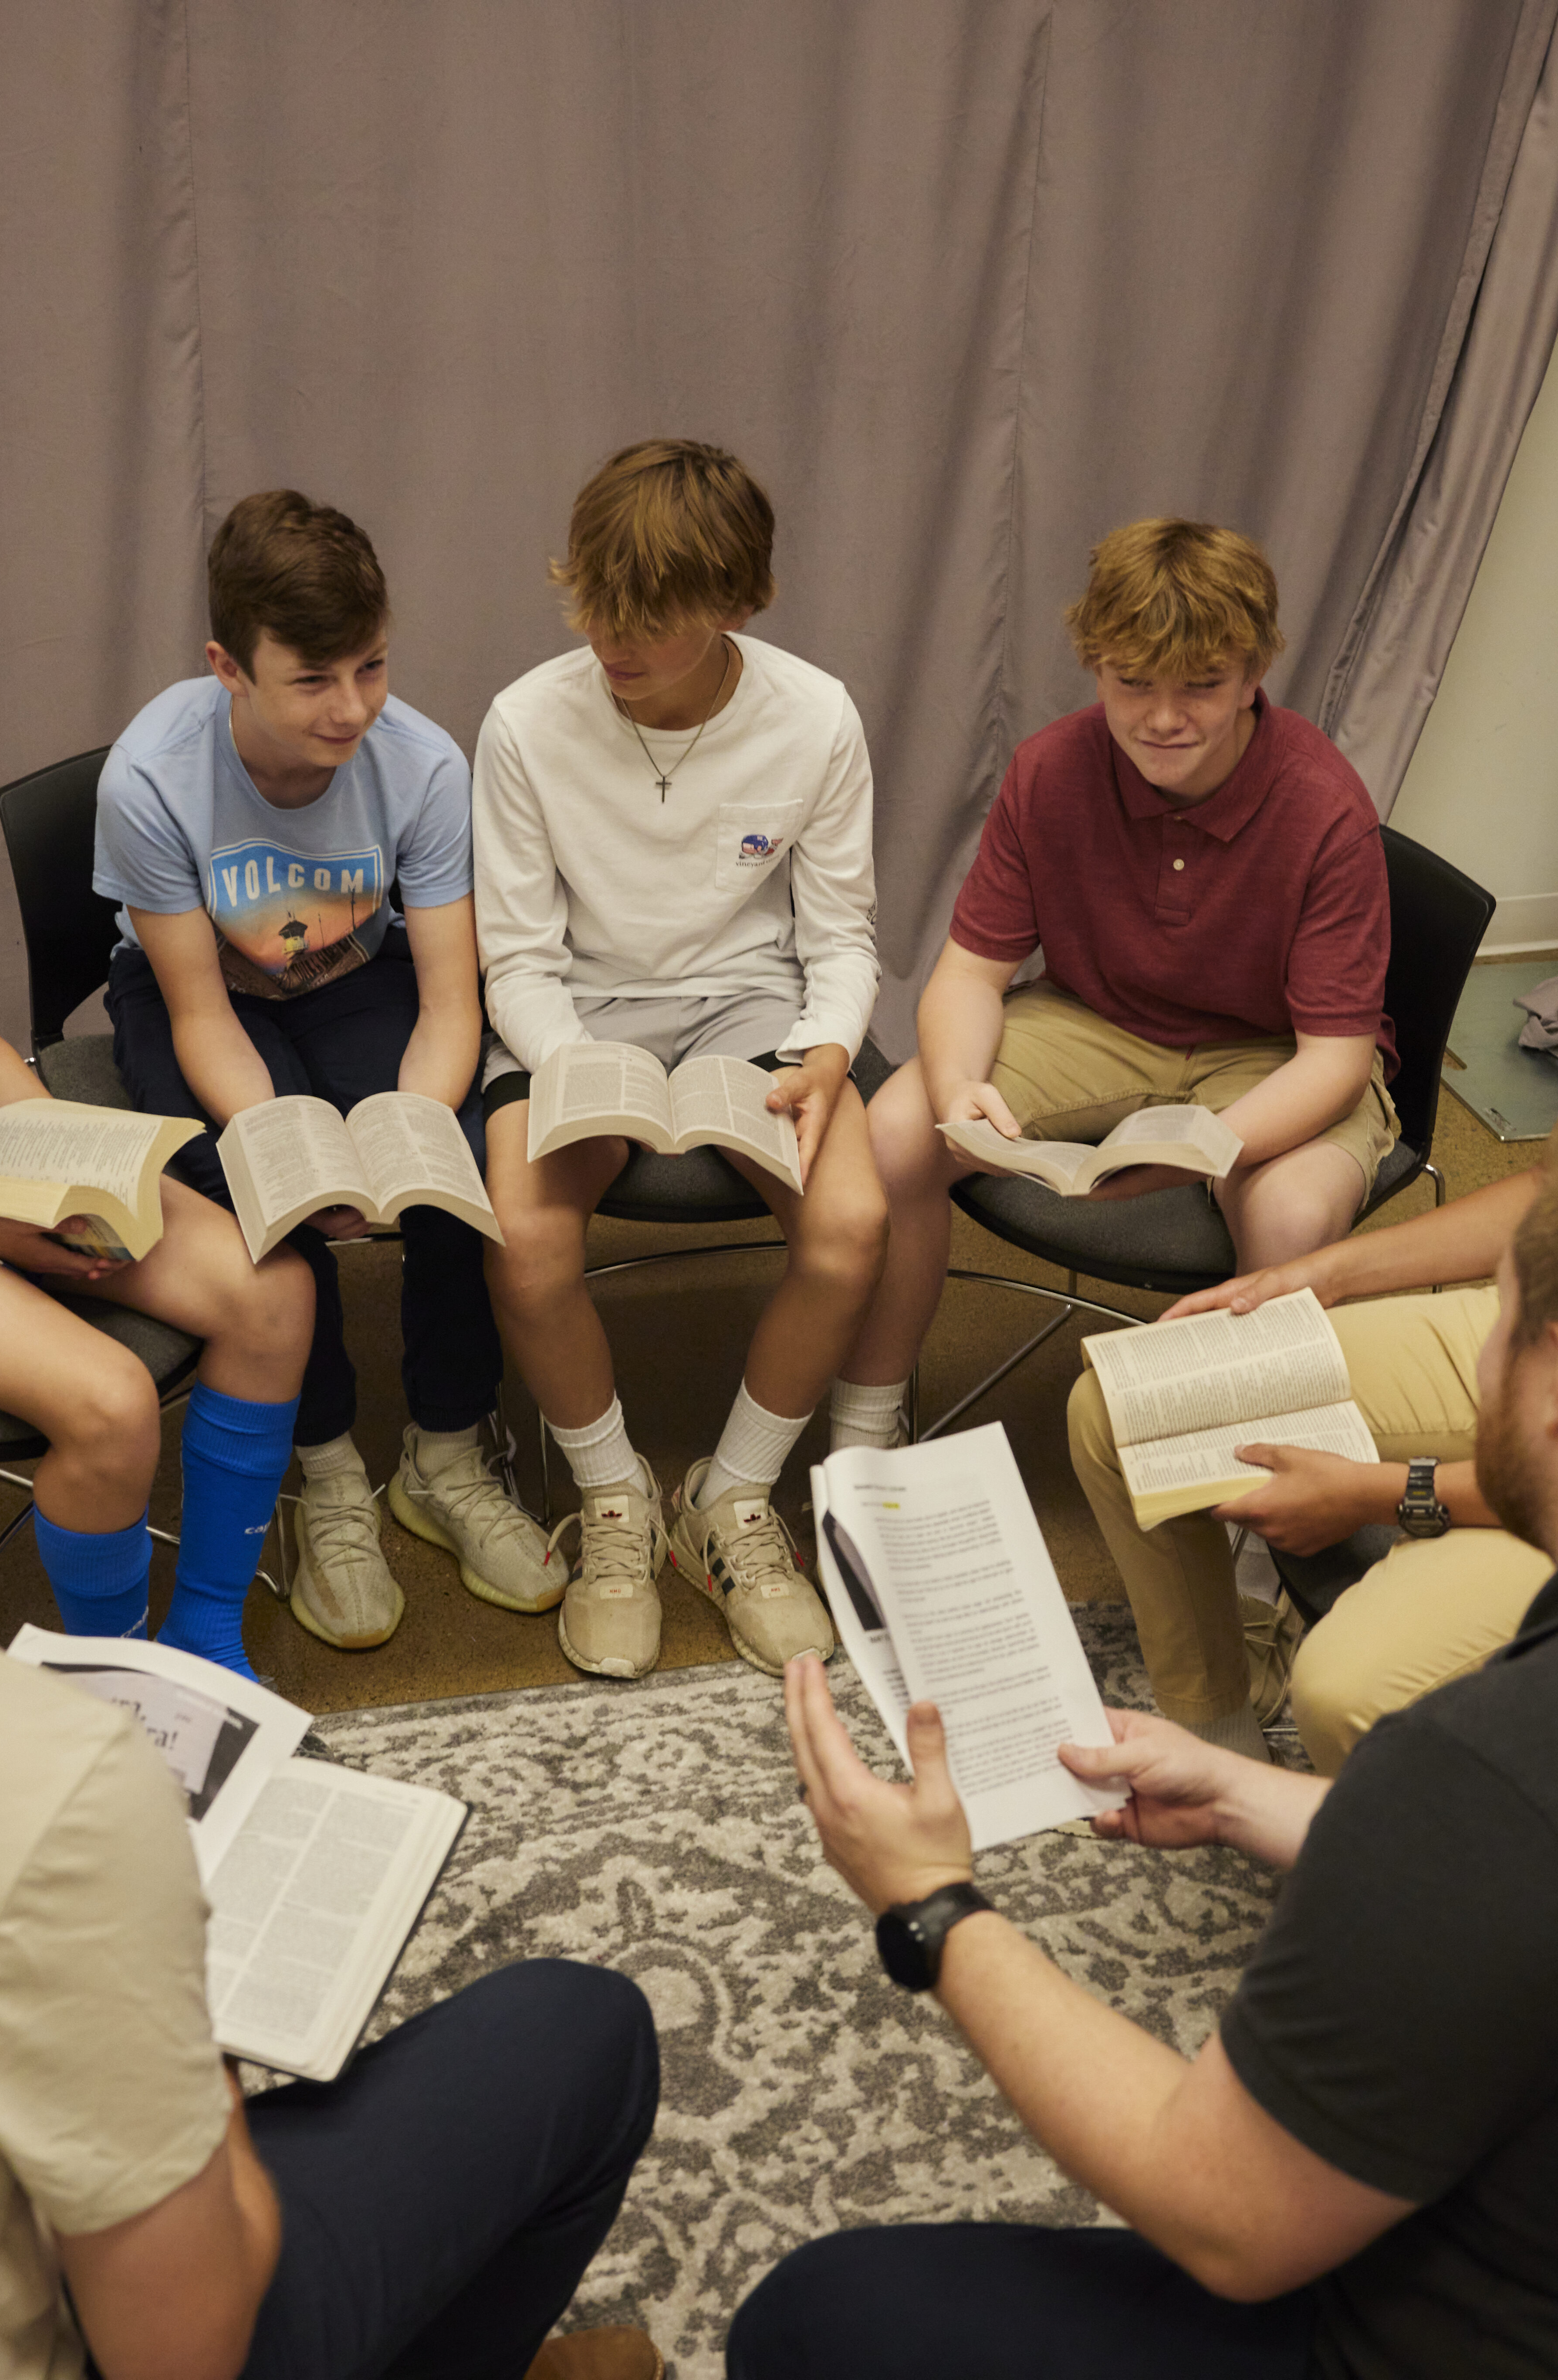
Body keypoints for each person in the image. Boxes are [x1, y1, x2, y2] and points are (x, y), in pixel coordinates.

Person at [0, 1014, 663, 2380]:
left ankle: (193, 1646)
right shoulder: (45, 1784)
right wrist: (200, 2087)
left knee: (266, 1292)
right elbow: (185, 2342)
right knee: (586, 2032)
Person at [734, 1170, 1558, 2377]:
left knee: (812, 2319)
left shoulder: (1476, 1765)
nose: (1476, 1365)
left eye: (1499, 1328)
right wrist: (1246, 1794)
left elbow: (1227, 2213)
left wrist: (935, 1907)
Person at [830, 517, 1397, 1464]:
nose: (1162, 716)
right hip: (1095, 1019)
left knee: (1290, 1215)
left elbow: (1334, 1057)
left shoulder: (1324, 806)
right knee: (898, 1129)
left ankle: (1261, 1492)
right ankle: (870, 1416)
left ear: (1255, 673)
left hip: (1273, 1052)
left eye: (1202, 685)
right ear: (1096, 665)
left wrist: (1204, 1150)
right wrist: (958, 1084)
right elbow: (968, 972)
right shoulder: (1051, 767)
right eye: (1132, 682)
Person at [95, 490, 552, 1655]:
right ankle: (328, 1467)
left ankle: (447, 1451)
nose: (352, 708)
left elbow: (455, 999)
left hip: (356, 972)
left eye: (373, 667)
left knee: (454, 1166)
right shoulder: (151, 777)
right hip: (201, 993)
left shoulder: (424, 764)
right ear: (227, 667)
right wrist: (303, 1155)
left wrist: (403, 1131)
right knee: (264, 1194)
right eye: (314, 681)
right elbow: (201, 1018)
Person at [472, 439, 887, 1679]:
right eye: (595, 604)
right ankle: (616, 1504)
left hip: (751, 1007)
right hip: (575, 1012)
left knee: (852, 1223)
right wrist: (572, 1071)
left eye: (650, 619)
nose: (613, 642)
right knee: (528, 1237)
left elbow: (844, 937)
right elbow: (517, 960)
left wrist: (825, 1052)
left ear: (738, 606)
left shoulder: (813, 716)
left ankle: (732, 1501)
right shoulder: (523, 724)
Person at [0, 598, 312, 1678]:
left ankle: (205, 1639)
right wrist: (5, 1226)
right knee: (112, 1403)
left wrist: (52, 1156)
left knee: (276, 1292)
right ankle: (120, 1691)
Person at [1067, 1147, 1553, 1763]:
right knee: (1115, 1410)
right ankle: (1217, 1737)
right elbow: (1548, 1192)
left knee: (1344, 1694)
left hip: (1540, 1377)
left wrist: (1381, 1494)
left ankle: (1377, 1841)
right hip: (1525, 1321)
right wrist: (1324, 1274)